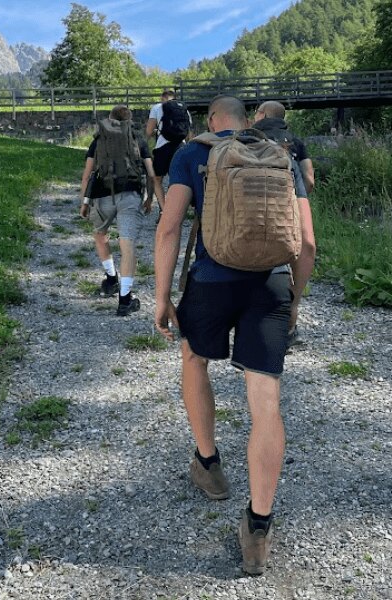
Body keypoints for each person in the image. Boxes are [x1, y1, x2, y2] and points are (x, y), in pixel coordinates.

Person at [154, 95, 309, 575]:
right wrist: (295, 302)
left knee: (194, 359)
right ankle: (258, 527)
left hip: (212, 282)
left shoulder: (191, 153)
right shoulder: (279, 154)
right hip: (271, 285)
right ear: (248, 121)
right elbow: (306, 242)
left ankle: (209, 464)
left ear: (211, 121)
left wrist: (161, 298)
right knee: (266, 401)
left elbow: (170, 227)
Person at [80, 105, 164, 316]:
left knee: (100, 235)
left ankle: (110, 279)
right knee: (127, 244)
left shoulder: (99, 139)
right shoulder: (137, 139)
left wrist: (84, 201)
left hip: (102, 196)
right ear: (129, 121)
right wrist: (151, 199)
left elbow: (87, 173)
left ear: (109, 119)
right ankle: (125, 300)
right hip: (130, 195)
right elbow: (151, 174)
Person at [253, 100, 317, 345]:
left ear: (264, 115)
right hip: (288, 205)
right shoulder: (295, 142)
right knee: (298, 249)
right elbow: (309, 180)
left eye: (256, 112)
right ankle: (290, 312)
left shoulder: (247, 138)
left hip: (252, 209)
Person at [145, 90, 192, 215]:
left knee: (156, 179)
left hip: (163, 147)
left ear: (162, 98)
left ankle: (164, 210)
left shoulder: (157, 107)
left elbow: (149, 131)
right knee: (176, 180)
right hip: (181, 146)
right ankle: (175, 209)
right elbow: (189, 134)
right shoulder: (184, 109)